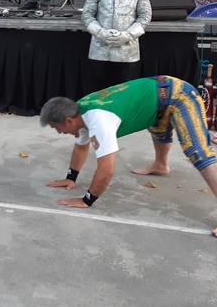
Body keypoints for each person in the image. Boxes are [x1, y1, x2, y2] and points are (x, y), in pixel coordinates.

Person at [40, 78, 217, 236]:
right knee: (159, 128)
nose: (60, 132)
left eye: (56, 127)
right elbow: (81, 147)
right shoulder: (80, 111)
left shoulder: (98, 120)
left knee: (198, 152)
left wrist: (87, 200)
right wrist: (71, 177)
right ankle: (160, 165)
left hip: (179, 95)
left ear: (69, 121)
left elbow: (107, 170)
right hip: (158, 97)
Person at [82, 0, 152, 91]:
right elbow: (87, 14)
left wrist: (127, 35)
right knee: (99, 90)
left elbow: (145, 16)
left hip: (127, 52)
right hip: (100, 50)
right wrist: (100, 33)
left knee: (126, 91)